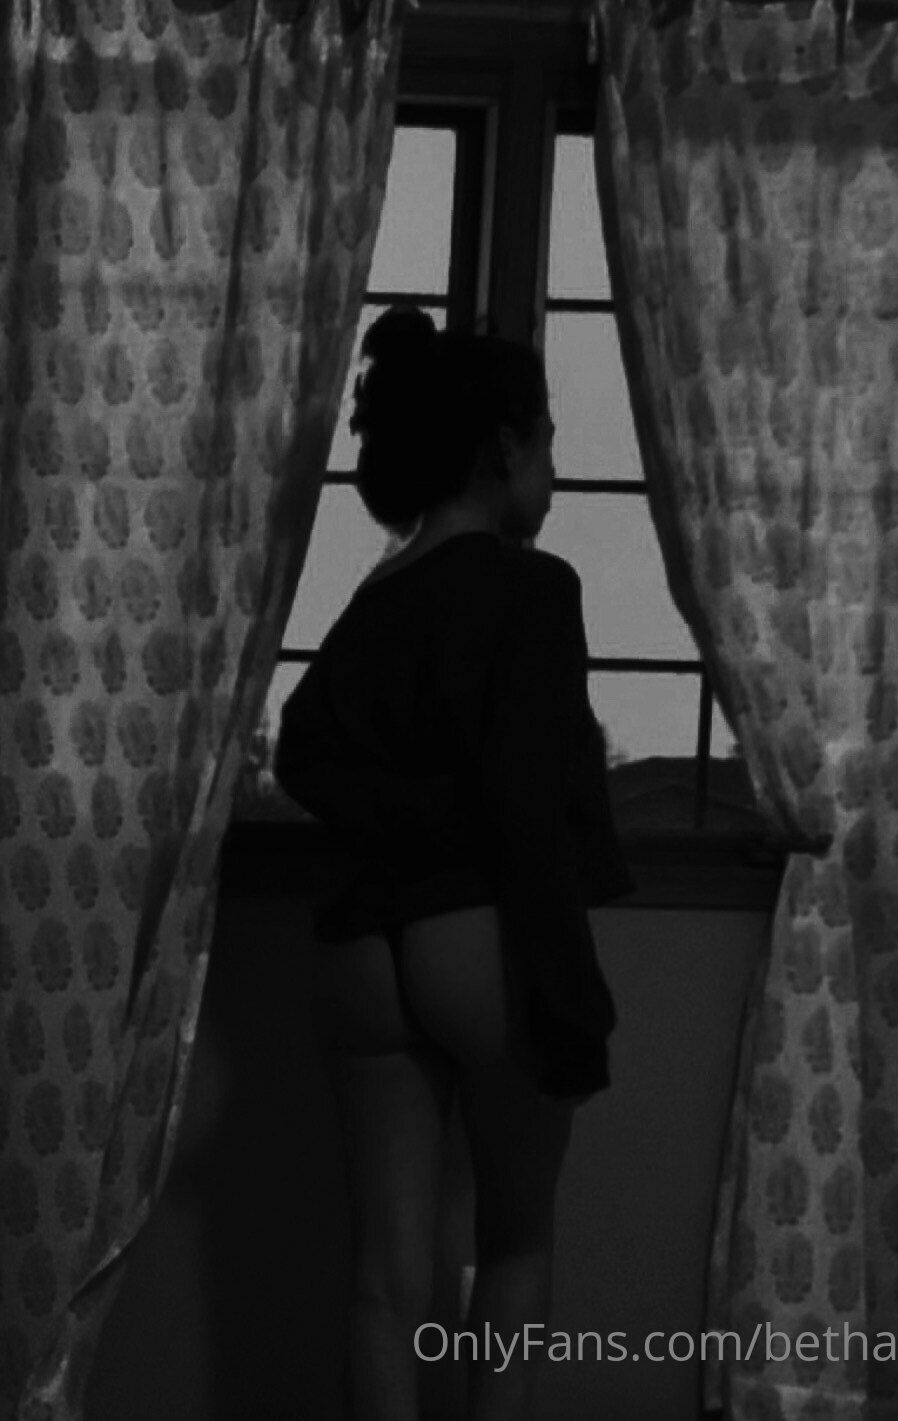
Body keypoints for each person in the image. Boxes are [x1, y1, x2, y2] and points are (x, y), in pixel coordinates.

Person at [272, 307, 634, 1421]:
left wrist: (411, 817)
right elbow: (529, 814)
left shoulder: (376, 597)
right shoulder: (536, 589)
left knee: (384, 1278)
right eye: (550, 442)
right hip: (473, 935)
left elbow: (301, 751)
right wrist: (572, 1006)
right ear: (504, 450)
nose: (555, 471)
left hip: (360, 948)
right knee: (513, 1243)